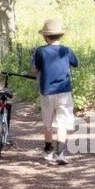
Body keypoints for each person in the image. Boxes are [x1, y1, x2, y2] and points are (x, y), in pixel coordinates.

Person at [32, 19, 79, 164]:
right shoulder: (66, 50)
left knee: (48, 122)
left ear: (45, 37)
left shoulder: (40, 51)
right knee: (62, 123)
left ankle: (48, 150)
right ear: (60, 36)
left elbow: (34, 70)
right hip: (64, 91)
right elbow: (75, 63)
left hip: (47, 91)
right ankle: (60, 153)